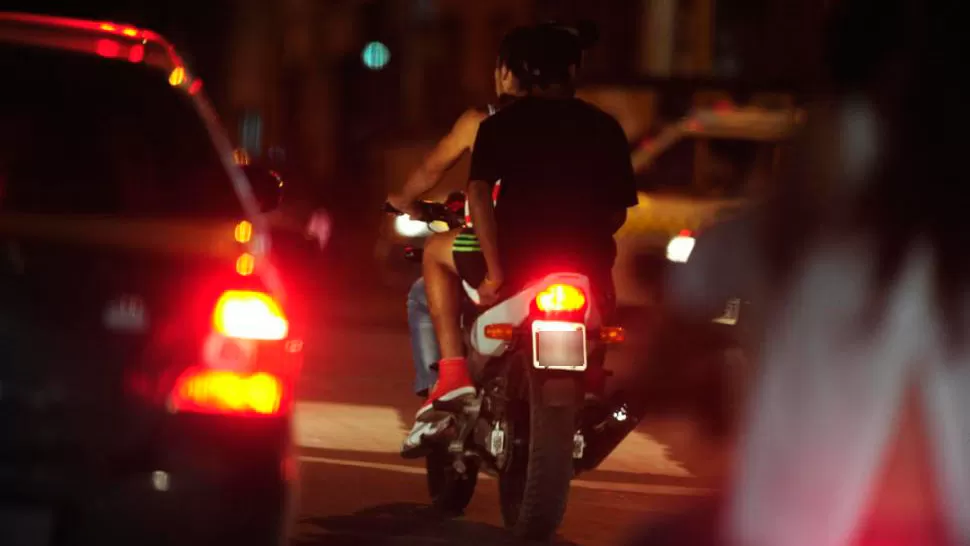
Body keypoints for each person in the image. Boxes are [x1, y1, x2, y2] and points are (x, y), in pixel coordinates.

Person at [410, 21, 637, 436]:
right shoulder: (606, 127)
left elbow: (479, 200)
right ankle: (591, 381)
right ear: (572, 71)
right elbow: (617, 214)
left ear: (518, 72)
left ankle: (454, 372)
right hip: (589, 273)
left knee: (434, 253)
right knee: (600, 326)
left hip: (514, 265)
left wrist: (495, 271)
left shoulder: (499, 126)